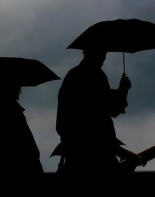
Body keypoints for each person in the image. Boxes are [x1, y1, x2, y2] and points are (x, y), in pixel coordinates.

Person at [53, 49, 144, 180]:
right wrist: (122, 90)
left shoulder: (77, 75)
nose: (103, 59)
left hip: (77, 153)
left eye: (104, 55)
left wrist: (122, 90)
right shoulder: (93, 76)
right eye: (101, 55)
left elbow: (105, 108)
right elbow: (100, 118)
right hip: (94, 156)